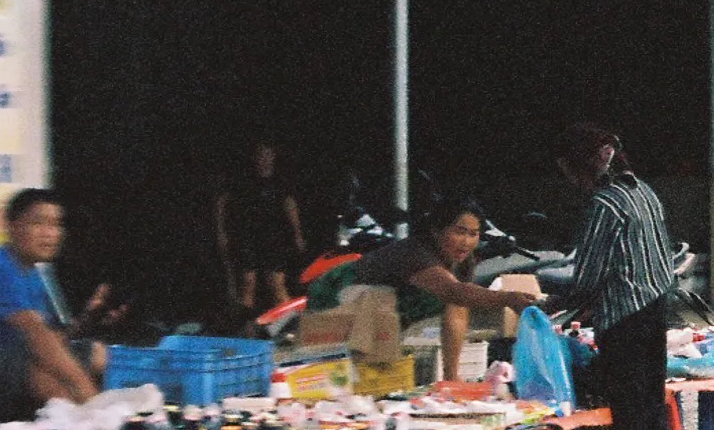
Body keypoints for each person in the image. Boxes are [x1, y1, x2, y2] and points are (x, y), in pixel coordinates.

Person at [552, 122, 689, 430]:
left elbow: (588, 275)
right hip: (655, 309)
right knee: (652, 403)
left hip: (624, 317)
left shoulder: (604, 204)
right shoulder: (643, 191)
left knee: (627, 411)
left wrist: (557, 306)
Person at [0, 189, 105, 422]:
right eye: (38, 223)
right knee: (34, 360)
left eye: (55, 225)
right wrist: (88, 394)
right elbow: (37, 336)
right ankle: (88, 423)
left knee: (94, 352)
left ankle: (87, 420)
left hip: (3, 379)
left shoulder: (34, 274)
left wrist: (89, 317)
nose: (50, 234)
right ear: (12, 227)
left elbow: (56, 340)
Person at [314, 196, 543, 353]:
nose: (467, 242)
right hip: (338, 295)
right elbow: (456, 293)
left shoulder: (462, 259)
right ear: (436, 230)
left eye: (473, 234)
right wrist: (509, 298)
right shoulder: (417, 254)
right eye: (459, 232)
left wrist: (451, 379)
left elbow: (456, 310)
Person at [212, 141, 306, 320]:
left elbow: (290, 206)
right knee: (248, 283)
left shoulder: (280, 181)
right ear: (254, 158)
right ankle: (246, 329)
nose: (264, 160)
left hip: (273, 236)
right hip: (246, 236)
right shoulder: (243, 180)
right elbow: (221, 203)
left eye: (268, 155)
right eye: (261, 155)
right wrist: (221, 231)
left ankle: (288, 327)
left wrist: (297, 234)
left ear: (274, 157)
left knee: (277, 285)